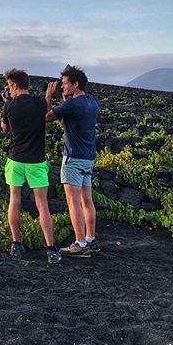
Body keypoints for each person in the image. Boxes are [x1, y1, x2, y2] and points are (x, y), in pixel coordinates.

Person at [1, 68, 62, 264]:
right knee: (42, 205)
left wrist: (6, 105)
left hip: (16, 159)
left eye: (10, 87)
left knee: (15, 200)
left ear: (15, 85)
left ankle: (16, 243)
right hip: (36, 160)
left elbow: (4, 128)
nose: (9, 90)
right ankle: (51, 249)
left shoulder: (9, 106)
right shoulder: (39, 102)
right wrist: (49, 96)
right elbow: (46, 115)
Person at [45, 65, 100, 256]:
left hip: (73, 159)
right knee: (87, 200)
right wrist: (64, 100)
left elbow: (48, 117)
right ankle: (91, 239)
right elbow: (70, 112)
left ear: (75, 84)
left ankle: (80, 243)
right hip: (88, 157)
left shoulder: (71, 104)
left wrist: (48, 97)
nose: (62, 87)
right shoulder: (92, 102)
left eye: (65, 84)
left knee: (73, 201)